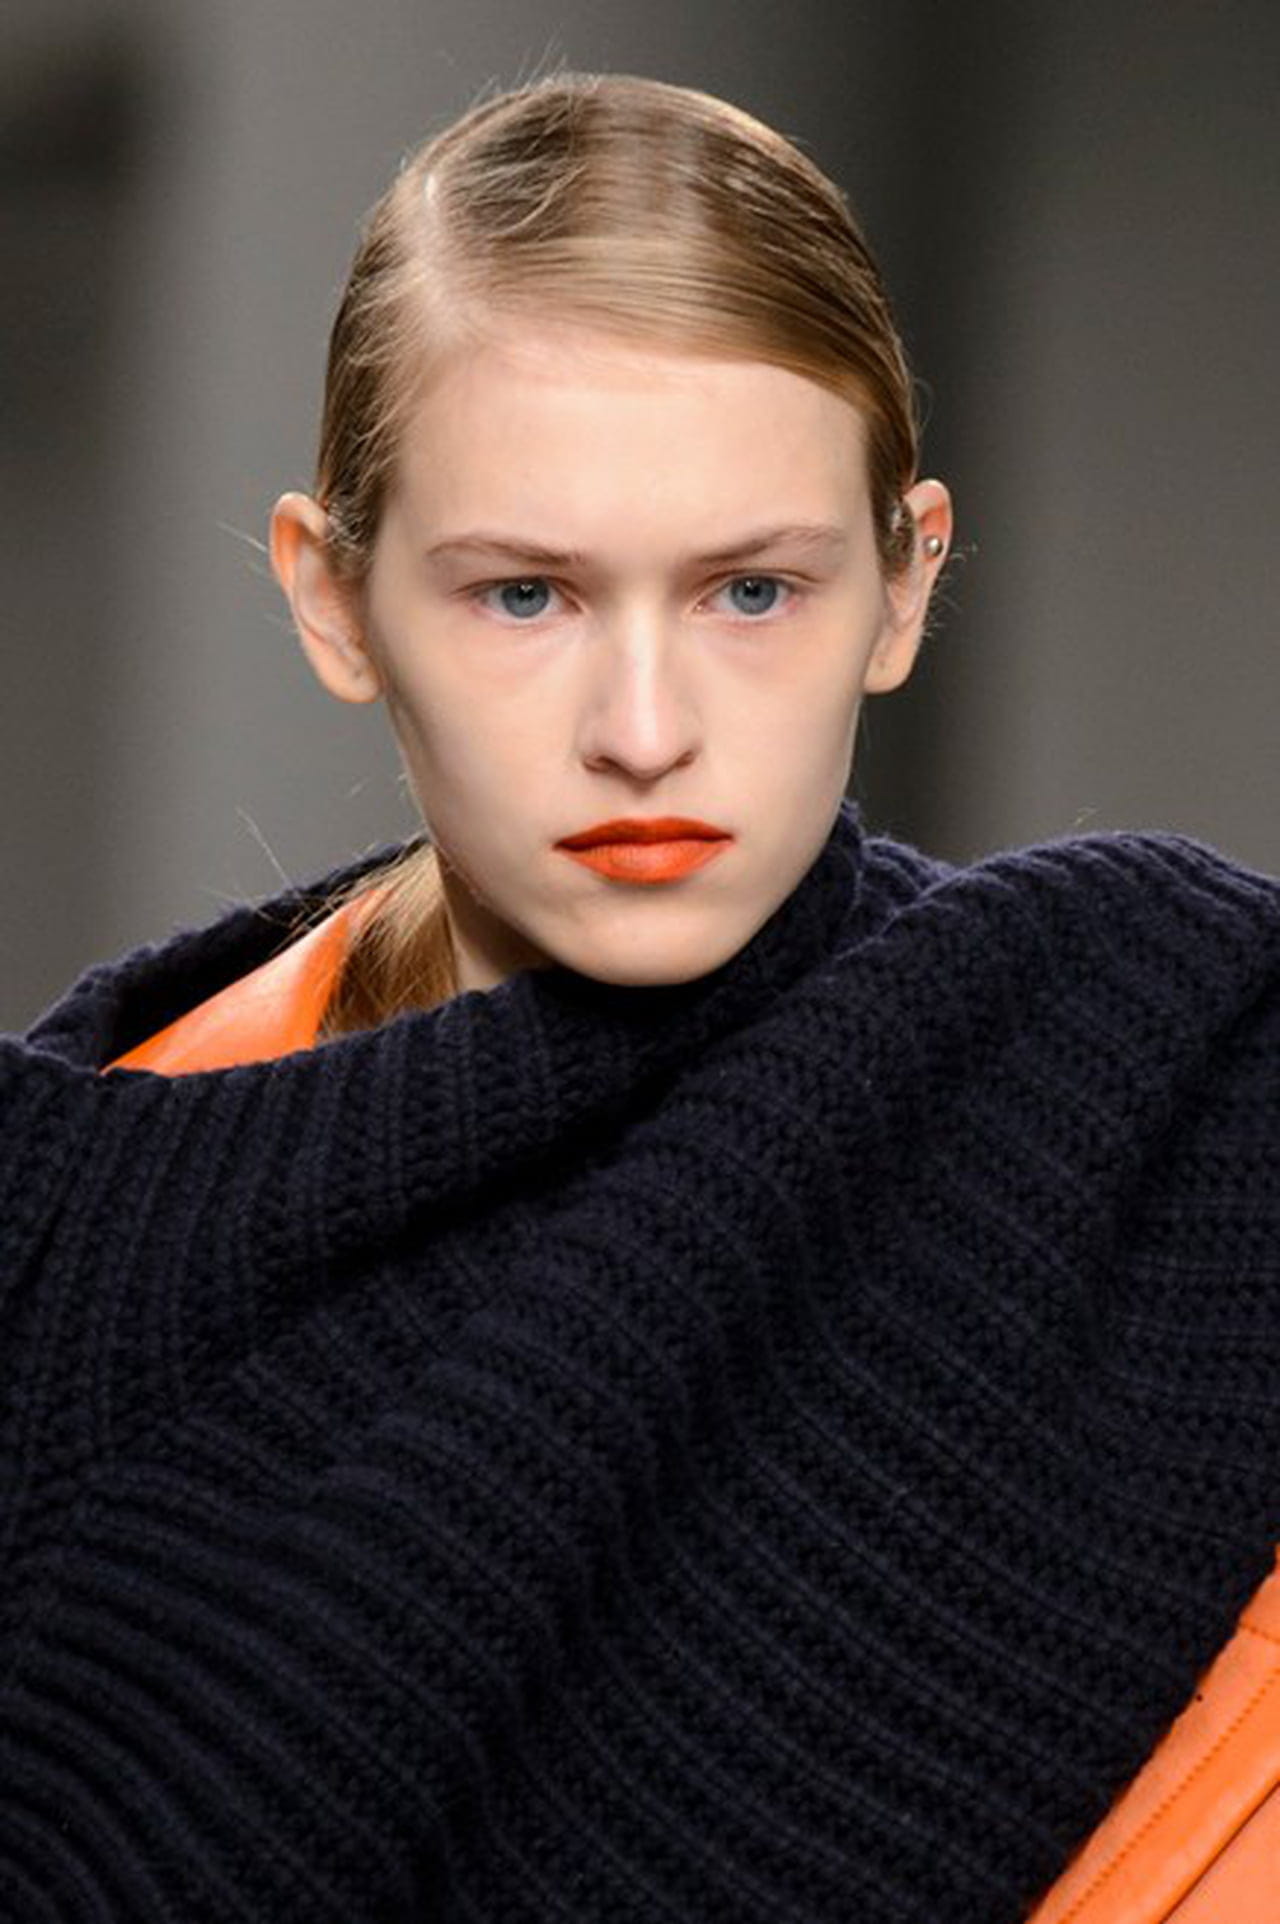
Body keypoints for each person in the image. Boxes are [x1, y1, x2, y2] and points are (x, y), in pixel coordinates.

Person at [2, 70, 1277, 1924]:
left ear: (904, 582)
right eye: (526, 597)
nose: (647, 729)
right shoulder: (66, 1252)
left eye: (752, 592)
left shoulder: (1166, 1082)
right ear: (333, 600)